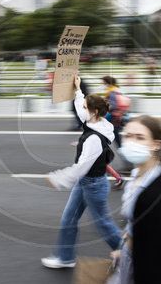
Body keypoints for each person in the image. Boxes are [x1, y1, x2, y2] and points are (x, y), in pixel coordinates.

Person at [41, 75, 122, 269]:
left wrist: (58, 179)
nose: (81, 110)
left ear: (93, 112)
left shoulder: (94, 137)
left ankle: (129, 255)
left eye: (85, 107)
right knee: (69, 218)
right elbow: (80, 110)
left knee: (103, 224)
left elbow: (81, 168)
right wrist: (78, 90)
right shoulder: (98, 123)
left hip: (93, 184)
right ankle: (65, 258)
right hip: (88, 182)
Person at [110, 115, 161, 284]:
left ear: (156, 145)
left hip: (148, 266)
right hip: (133, 252)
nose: (131, 142)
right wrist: (123, 250)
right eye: (128, 136)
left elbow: (155, 246)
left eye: (140, 138)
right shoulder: (136, 176)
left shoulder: (153, 194)